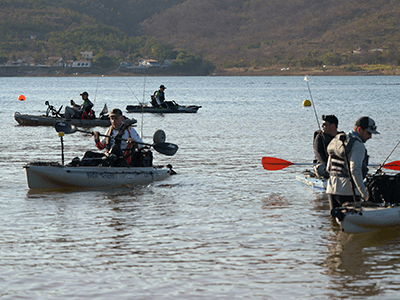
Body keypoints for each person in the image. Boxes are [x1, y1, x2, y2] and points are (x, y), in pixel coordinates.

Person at [326, 116, 380, 212]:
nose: (370, 137)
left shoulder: (337, 140)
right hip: (349, 192)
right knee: (353, 224)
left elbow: (328, 168)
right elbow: (355, 170)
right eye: (368, 133)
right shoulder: (358, 145)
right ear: (359, 129)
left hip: (331, 189)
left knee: (335, 222)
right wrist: (364, 194)